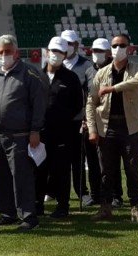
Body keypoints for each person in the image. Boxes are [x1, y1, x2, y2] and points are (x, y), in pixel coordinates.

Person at [0, 35, 45, 230]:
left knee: (21, 178)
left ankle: (29, 218)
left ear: (16, 52)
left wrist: (35, 130)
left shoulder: (29, 74)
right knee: (2, 178)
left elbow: (38, 104)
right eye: (1, 52)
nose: (4, 55)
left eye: (8, 51)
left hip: (20, 136)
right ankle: (7, 214)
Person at [86, 33, 138, 223]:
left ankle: (136, 208)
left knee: (132, 169)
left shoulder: (137, 69)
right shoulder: (101, 73)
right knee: (107, 171)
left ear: (129, 48)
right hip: (107, 127)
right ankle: (105, 207)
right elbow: (91, 102)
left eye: (121, 45)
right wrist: (92, 129)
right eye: (114, 45)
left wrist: (113, 88)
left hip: (129, 128)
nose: (117, 49)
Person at [36, 36, 82, 219]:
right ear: (47, 52)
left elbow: (78, 104)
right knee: (39, 170)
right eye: (53, 51)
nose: (55, 55)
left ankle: (63, 206)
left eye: (60, 52)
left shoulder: (71, 78)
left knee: (61, 171)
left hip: (63, 134)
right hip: (40, 133)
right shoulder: (37, 76)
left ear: (65, 55)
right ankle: (37, 204)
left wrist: (64, 121)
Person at [60, 30, 90, 205]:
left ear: (77, 45)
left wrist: (86, 117)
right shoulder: (54, 64)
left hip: (78, 119)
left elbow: (88, 93)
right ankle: (53, 189)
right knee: (56, 157)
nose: (68, 47)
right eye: (65, 43)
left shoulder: (86, 66)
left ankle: (82, 192)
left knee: (78, 158)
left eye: (71, 43)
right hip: (58, 120)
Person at [82, 38, 113, 208]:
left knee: (109, 162)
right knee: (92, 161)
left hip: (109, 122)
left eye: (100, 51)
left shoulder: (114, 70)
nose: (96, 54)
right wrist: (85, 120)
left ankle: (114, 195)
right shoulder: (88, 71)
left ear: (108, 52)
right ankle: (95, 194)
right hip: (90, 122)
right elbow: (85, 97)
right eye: (94, 51)